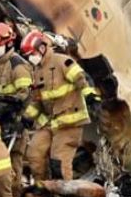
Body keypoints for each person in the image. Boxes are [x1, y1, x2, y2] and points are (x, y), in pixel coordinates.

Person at [22, 30, 91, 183]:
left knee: (58, 161)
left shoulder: (62, 61)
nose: (30, 58)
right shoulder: (37, 71)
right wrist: (27, 117)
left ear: (41, 48)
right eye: (28, 56)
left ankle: (64, 195)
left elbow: (81, 79)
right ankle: (43, 190)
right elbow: (36, 100)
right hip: (49, 123)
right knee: (34, 153)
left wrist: (90, 95)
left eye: (31, 54)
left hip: (69, 122)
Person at [0, 23, 33, 197]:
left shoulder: (18, 66)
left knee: (13, 164)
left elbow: (27, 96)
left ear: (8, 43)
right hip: (1, 121)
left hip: (16, 123)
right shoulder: (0, 64)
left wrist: (20, 119)